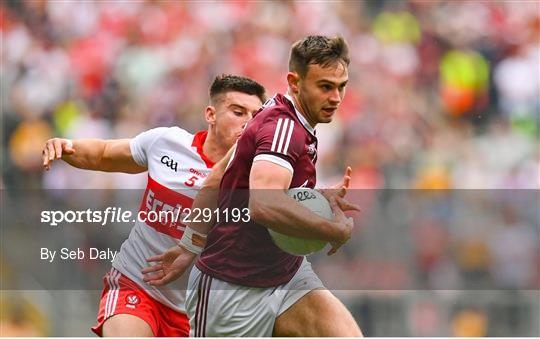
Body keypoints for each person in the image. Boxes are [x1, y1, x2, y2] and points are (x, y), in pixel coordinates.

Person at [143, 35, 363, 336]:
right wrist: (332, 229)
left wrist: (188, 245)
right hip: (233, 288)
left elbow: (219, 176)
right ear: (294, 82)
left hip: (287, 275)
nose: (336, 98)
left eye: (341, 86)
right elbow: (263, 204)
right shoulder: (283, 128)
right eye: (325, 86)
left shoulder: (280, 115)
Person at [41, 75, 266, 337]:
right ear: (211, 114)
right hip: (135, 285)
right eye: (238, 112)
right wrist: (66, 146)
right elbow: (103, 154)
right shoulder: (167, 143)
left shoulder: (258, 179)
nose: (249, 122)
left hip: (196, 313)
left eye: (256, 116)